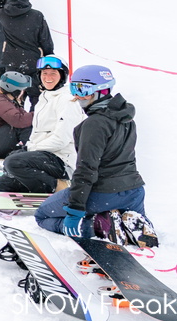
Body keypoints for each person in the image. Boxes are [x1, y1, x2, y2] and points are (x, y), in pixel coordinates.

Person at [34, 65, 158, 246]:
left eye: (83, 89)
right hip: (134, 191)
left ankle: (97, 226)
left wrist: (75, 210)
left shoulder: (94, 124)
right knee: (129, 216)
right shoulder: (126, 118)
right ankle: (126, 222)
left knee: (42, 215)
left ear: (101, 90)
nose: (77, 95)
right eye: (73, 88)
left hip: (103, 193)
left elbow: (86, 169)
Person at [0, 56, 83, 194]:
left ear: (62, 76)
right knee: (2, 187)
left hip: (61, 160)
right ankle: (41, 185)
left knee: (14, 162)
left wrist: (31, 149)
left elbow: (61, 140)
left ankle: (59, 187)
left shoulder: (67, 100)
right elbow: (37, 134)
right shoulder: (44, 97)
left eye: (53, 73)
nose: (48, 77)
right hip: (43, 156)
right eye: (44, 73)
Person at [0, 0, 54, 99]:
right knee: (36, 98)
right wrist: (49, 57)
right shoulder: (37, 15)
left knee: (12, 98)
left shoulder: (3, 14)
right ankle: (34, 116)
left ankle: (16, 116)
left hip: (12, 62)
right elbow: (46, 41)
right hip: (33, 61)